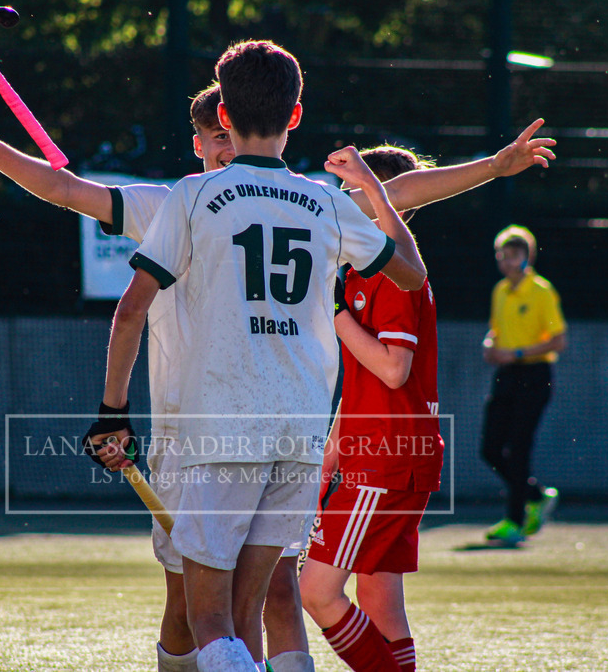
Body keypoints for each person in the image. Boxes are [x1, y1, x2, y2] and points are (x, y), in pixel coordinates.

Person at [0, 82, 556, 672]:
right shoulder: (175, 202)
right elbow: (65, 188)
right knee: (194, 609)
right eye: (212, 139)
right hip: (217, 434)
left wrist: (492, 168)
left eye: (227, 135)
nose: (222, 147)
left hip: (229, 435)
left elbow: (392, 192)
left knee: (258, 600)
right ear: (201, 140)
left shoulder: (269, 197)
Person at [84, 39, 430, 671]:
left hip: (223, 429)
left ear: (224, 118)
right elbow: (410, 273)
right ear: (295, 116)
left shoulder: (193, 196)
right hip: (299, 432)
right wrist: (377, 194)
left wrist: (112, 410)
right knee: (255, 612)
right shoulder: (327, 201)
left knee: (206, 615)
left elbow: (131, 309)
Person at [299, 146, 444, 672]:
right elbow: (364, 380)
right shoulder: (364, 272)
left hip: (386, 458)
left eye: (353, 194)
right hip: (384, 454)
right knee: (381, 600)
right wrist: (334, 448)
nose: (339, 208)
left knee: (316, 592)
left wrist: (335, 315)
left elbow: (391, 369)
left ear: (386, 202)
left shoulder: (389, 274)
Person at [480, 224, 566, 546]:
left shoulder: (542, 291)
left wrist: (516, 353)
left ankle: (515, 521)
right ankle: (536, 496)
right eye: (501, 255)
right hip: (506, 376)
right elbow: (495, 331)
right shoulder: (500, 291)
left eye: (513, 255)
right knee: (489, 448)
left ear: (526, 257)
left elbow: (558, 340)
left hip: (534, 375)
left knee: (518, 450)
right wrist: (490, 345)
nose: (506, 261)